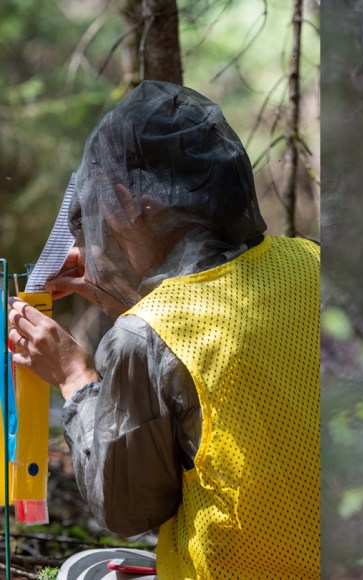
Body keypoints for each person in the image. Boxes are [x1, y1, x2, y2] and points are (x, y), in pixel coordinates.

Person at [6, 80, 319, 578]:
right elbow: (202, 316)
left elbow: (127, 508)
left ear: (129, 203)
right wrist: (104, 285)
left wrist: (72, 376)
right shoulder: (310, 261)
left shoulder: (148, 335)